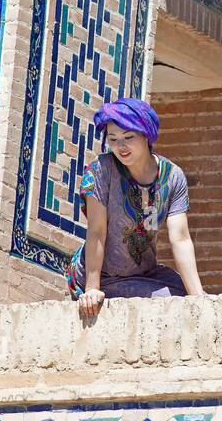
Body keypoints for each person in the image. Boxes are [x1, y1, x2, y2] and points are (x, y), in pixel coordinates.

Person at [65, 97, 205, 318]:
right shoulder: (100, 171)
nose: (121, 146)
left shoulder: (173, 177)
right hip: (104, 274)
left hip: (146, 274)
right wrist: (93, 289)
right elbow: (97, 232)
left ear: (146, 135)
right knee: (168, 303)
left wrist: (199, 297)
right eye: (113, 139)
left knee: (186, 294)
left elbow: (180, 238)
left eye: (128, 137)